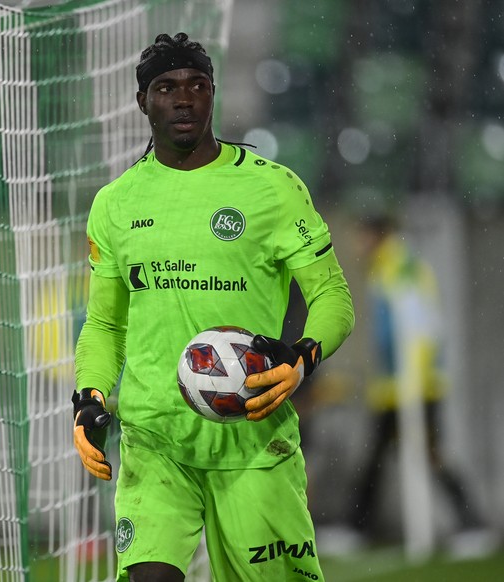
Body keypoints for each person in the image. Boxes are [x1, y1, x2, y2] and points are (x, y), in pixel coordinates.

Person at [72, 32, 355, 581]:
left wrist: (303, 357)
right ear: (143, 101)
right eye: (167, 87)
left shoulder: (272, 189)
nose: (184, 98)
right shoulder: (115, 204)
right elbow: (106, 323)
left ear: (212, 95)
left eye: (198, 86)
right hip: (156, 441)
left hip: (252, 439)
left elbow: (333, 296)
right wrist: (88, 397)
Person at [347, 214, 486, 543]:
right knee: (376, 459)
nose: (358, 244)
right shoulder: (384, 267)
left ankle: (474, 525)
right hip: (393, 390)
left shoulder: (402, 266)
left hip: (415, 388)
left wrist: (414, 382)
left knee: (429, 457)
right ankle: (355, 528)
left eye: (362, 235)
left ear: (377, 234)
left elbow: (422, 328)